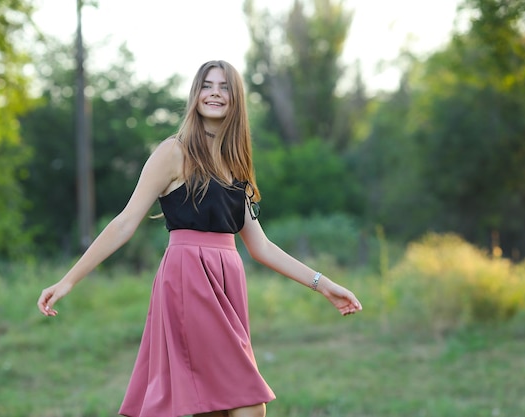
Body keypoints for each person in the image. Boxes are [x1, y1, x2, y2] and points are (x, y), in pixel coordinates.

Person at [37, 60, 363, 417]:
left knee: (217, 407)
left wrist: (323, 284)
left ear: (236, 98)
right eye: (207, 85)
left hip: (226, 285)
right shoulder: (173, 152)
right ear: (195, 94)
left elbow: (261, 246)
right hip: (188, 280)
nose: (215, 93)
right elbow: (125, 223)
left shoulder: (236, 164)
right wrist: (69, 279)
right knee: (248, 406)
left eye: (224, 87)